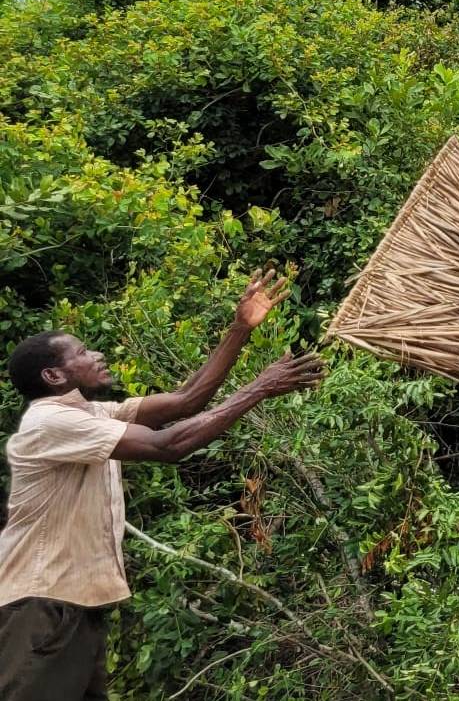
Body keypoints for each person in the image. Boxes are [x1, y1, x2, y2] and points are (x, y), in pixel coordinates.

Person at [0, 269, 325, 699]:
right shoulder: (50, 422)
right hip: (42, 608)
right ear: (55, 377)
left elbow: (188, 400)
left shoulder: (90, 416)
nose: (96, 354)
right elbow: (170, 445)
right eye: (81, 352)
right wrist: (259, 388)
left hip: (72, 607)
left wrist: (239, 328)